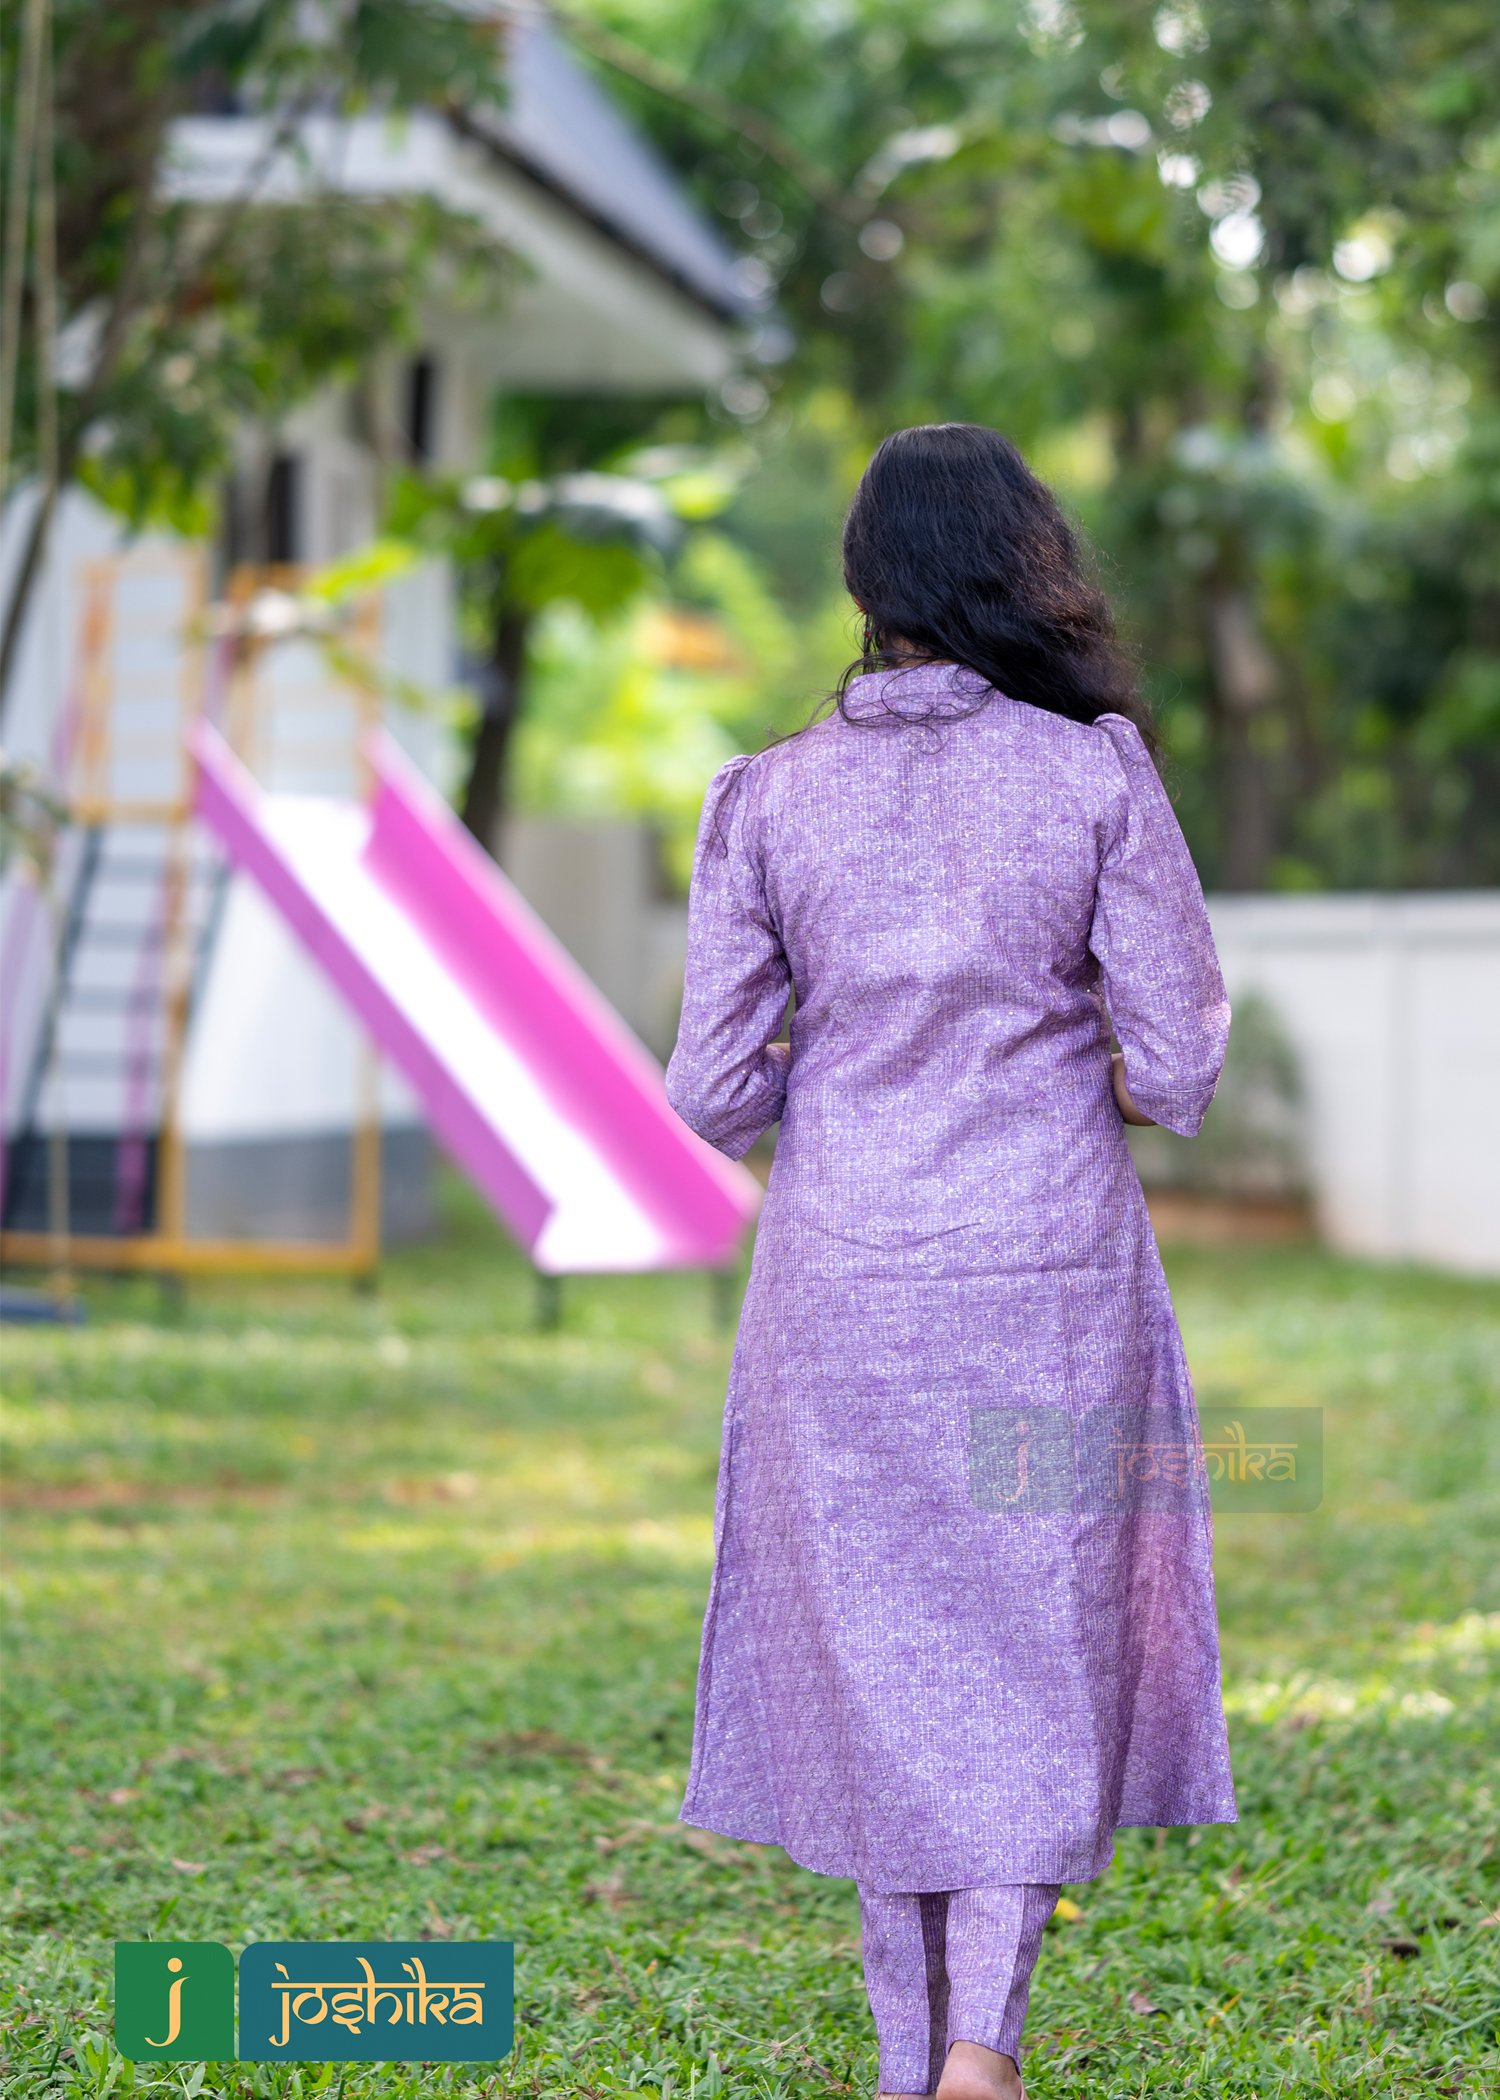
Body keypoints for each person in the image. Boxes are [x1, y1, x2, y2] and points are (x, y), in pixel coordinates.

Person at [664, 423, 1237, 2100]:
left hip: (843, 1283)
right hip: (1049, 1278)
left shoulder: (767, 796)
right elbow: (1181, 1065)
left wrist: (836, 1073)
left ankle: (912, 2057)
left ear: (866, 582)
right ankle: (984, 2043)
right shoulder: (1092, 774)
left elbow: (710, 1090)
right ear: (1022, 564)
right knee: (1034, 1644)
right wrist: (1063, 1066)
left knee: (882, 1654)